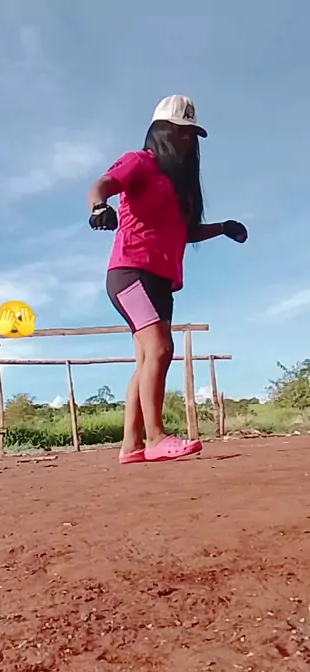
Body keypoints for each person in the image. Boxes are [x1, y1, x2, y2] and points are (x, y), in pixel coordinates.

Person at [88, 94, 247, 464]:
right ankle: (156, 437)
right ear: (161, 131)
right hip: (130, 271)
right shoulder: (140, 162)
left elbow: (184, 233)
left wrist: (223, 228)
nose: (187, 140)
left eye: (191, 134)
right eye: (180, 132)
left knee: (148, 358)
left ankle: (131, 446)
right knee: (160, 349)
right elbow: (103, 184)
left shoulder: (180, 188)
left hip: (162, 281)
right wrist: (98, 207)